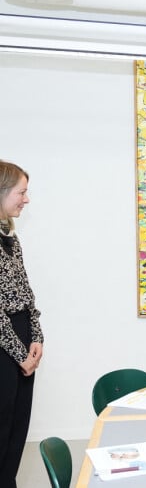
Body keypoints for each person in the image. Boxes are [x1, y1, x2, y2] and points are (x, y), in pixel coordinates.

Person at [0, 160, 43, 488]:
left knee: (18, 428)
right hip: (4, 348)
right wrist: (20, 354)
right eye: (21, 192)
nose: (26, 200)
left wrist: (36, 337)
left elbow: (26, 293)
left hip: (22, 338)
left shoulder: (10, 239)